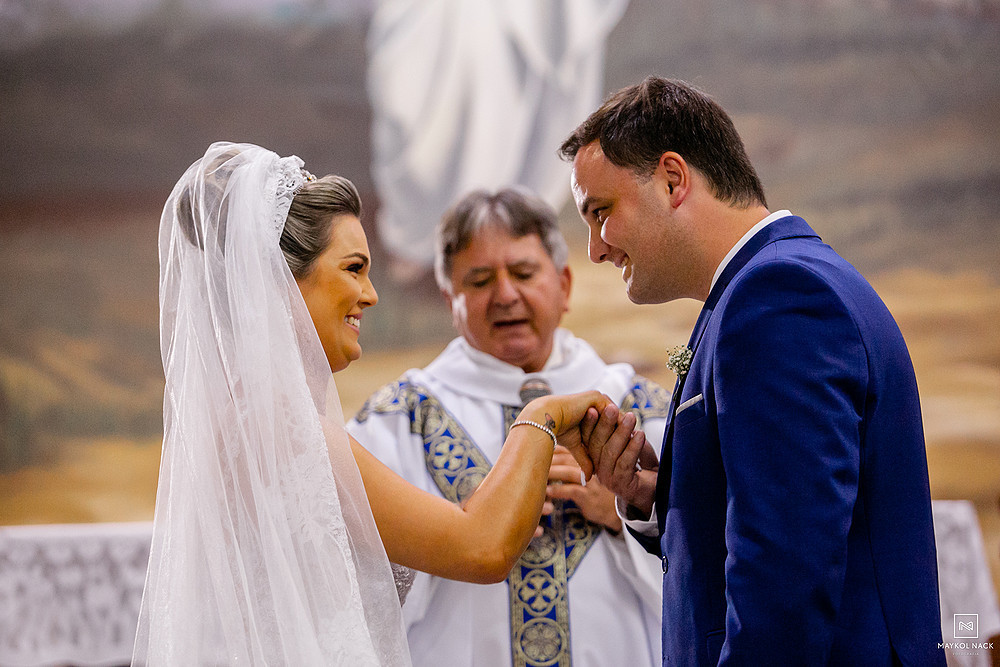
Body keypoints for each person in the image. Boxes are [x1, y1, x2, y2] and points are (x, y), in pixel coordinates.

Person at [132, 142, 621, 666]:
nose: (370, 294)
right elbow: (482, 549)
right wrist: (540, 417)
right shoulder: (278, 425)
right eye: (353, 268)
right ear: (283, 281)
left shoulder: (252, 414)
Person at [559, 77, 945, 664]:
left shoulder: (777, 297)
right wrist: (656, 495)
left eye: (601, 211)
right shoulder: (769, 285)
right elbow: (780, 509)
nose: (595, 248)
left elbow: (785, 575)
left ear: (672, 179)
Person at [347, 188, 667, 667]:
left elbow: (722, 562)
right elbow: (345, 586)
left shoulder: (642, 411)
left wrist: (628, 513)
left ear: (563, 284)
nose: (505, 295)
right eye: (479, 280)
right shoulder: (397, 421)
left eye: (522, 273)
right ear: (449, 298)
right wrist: (463, 524)